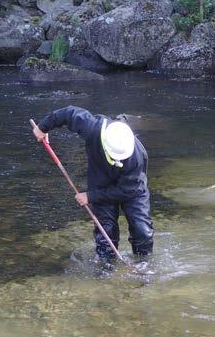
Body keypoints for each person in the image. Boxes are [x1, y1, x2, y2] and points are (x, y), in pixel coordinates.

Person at [32, 106, 153, 260]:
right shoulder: (93, 127)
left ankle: (143, 263)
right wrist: (43, 127)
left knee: (142, 231)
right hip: (100, 182)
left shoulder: (137, 157)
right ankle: (106, 269)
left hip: (131, 189)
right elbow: (68, 113)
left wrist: (90, 196)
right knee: (105, 234)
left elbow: (127, 190)